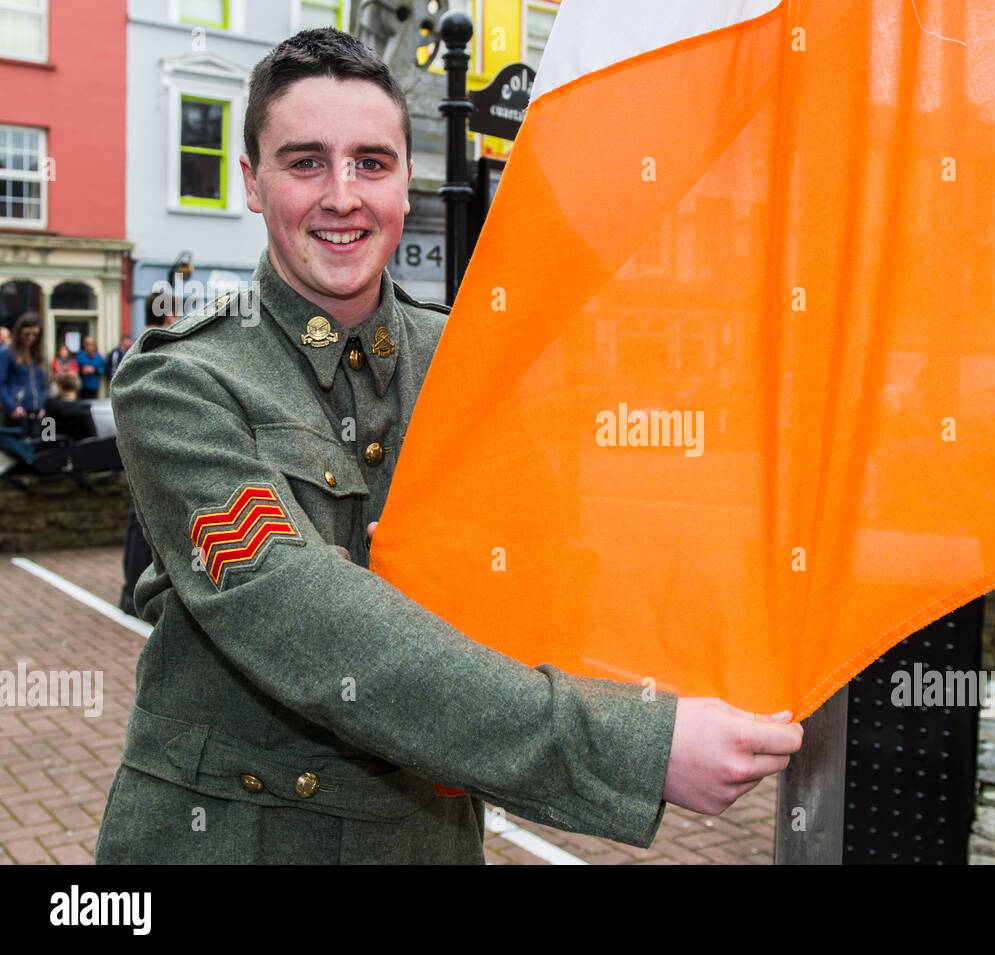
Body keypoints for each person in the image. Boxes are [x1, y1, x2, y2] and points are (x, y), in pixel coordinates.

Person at [96, 28, 802, 865]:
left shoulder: (468, 364)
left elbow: (556, 571)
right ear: (252, 182)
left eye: (371, 161)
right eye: (305, 162)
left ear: (406, 180)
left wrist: (733, 648)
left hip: (422, 840)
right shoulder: (180, 382)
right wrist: (633, 747)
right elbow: (300, 612)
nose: (342, 195)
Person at [118, 291, 177, 616]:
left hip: (140, 440)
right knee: (142, 524)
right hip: (147, 441)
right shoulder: (151, 346)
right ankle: (133, 593)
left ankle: (130, 591)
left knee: (137, 522)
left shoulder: (143, 345)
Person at [0, 313, 46, 439]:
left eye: (35, 335)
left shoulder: (37, 355)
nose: (31, 338)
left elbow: (41, 384)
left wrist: (42, 405)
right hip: (17, 413)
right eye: (27, 334)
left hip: (37, 413)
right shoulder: (7, 352)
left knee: (41, 450)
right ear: (19, 332)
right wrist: (12, 406)